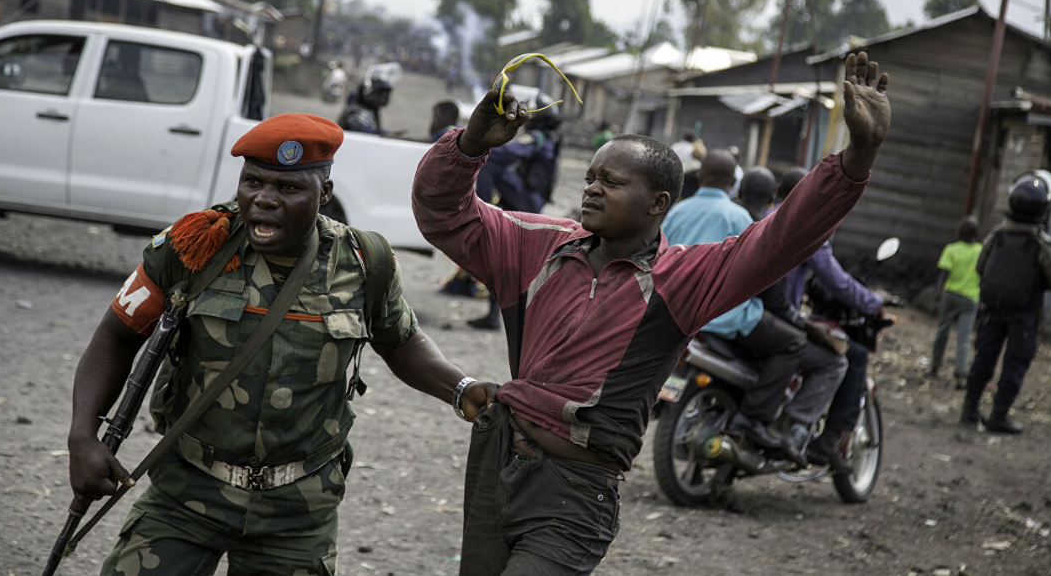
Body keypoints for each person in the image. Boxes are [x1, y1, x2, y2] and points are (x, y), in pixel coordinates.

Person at [411, 51, 891, 575]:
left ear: (659, 203)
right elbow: (442, 214)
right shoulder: (536, 245)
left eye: (612, 182)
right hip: (495, 460)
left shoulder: (682, 280)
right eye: (591, 177)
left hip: (575, 496)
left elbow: (781, 237)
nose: (592, 187)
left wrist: (857, 156)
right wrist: (469, 146)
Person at [66, 113, 497, 574]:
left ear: (324, 194)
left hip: (298, 512)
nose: (264, 200)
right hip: (186, 492)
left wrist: (462, 389)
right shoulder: (195, 245)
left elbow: (402, 342)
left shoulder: (364, 262)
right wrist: (82, 435)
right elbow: (116, 334)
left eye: (288, 189)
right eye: (253, 182)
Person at [663, 151, 847, 471]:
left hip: (676, 311)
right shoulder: (740, 218)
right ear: (731, 182)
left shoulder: (676, 211)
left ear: (701, 178)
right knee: (792, 343)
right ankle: (754, 420)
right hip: (726, 317)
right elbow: (761, 276)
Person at [778, 165, 886, 471]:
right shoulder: (807, 227)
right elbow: (836, 281)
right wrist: (872, 301)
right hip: (776, 318)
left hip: (743, 314)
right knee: (847, 356)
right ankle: (819, 439)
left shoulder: (758, 217)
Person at [960, 171, 1051, 434]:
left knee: (983, 358)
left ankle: (969, 410)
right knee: (1015, 363)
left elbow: (981, 267)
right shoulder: (1041, 244)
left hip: (992, 309)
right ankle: (998, 415)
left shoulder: (996, 235)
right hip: (1024, 315)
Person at [468, 96, 564, 331]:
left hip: (528, 199)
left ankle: (482, 204)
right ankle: (494, 315)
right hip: (531, 198)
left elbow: (506, 154)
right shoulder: (551, 138)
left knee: (489, 161)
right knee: (503, 256)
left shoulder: (538, 138)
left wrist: (478, 140)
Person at [931, 216, 982, 388]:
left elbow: (943, 273)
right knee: (964, 337)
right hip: (970, 299)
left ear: (959, 231)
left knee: (942, 331)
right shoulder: (980, 251)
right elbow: (984, 273)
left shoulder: (951, 249)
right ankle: (961, 375)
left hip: (951, 295)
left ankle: (934, 366)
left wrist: (938, 294)